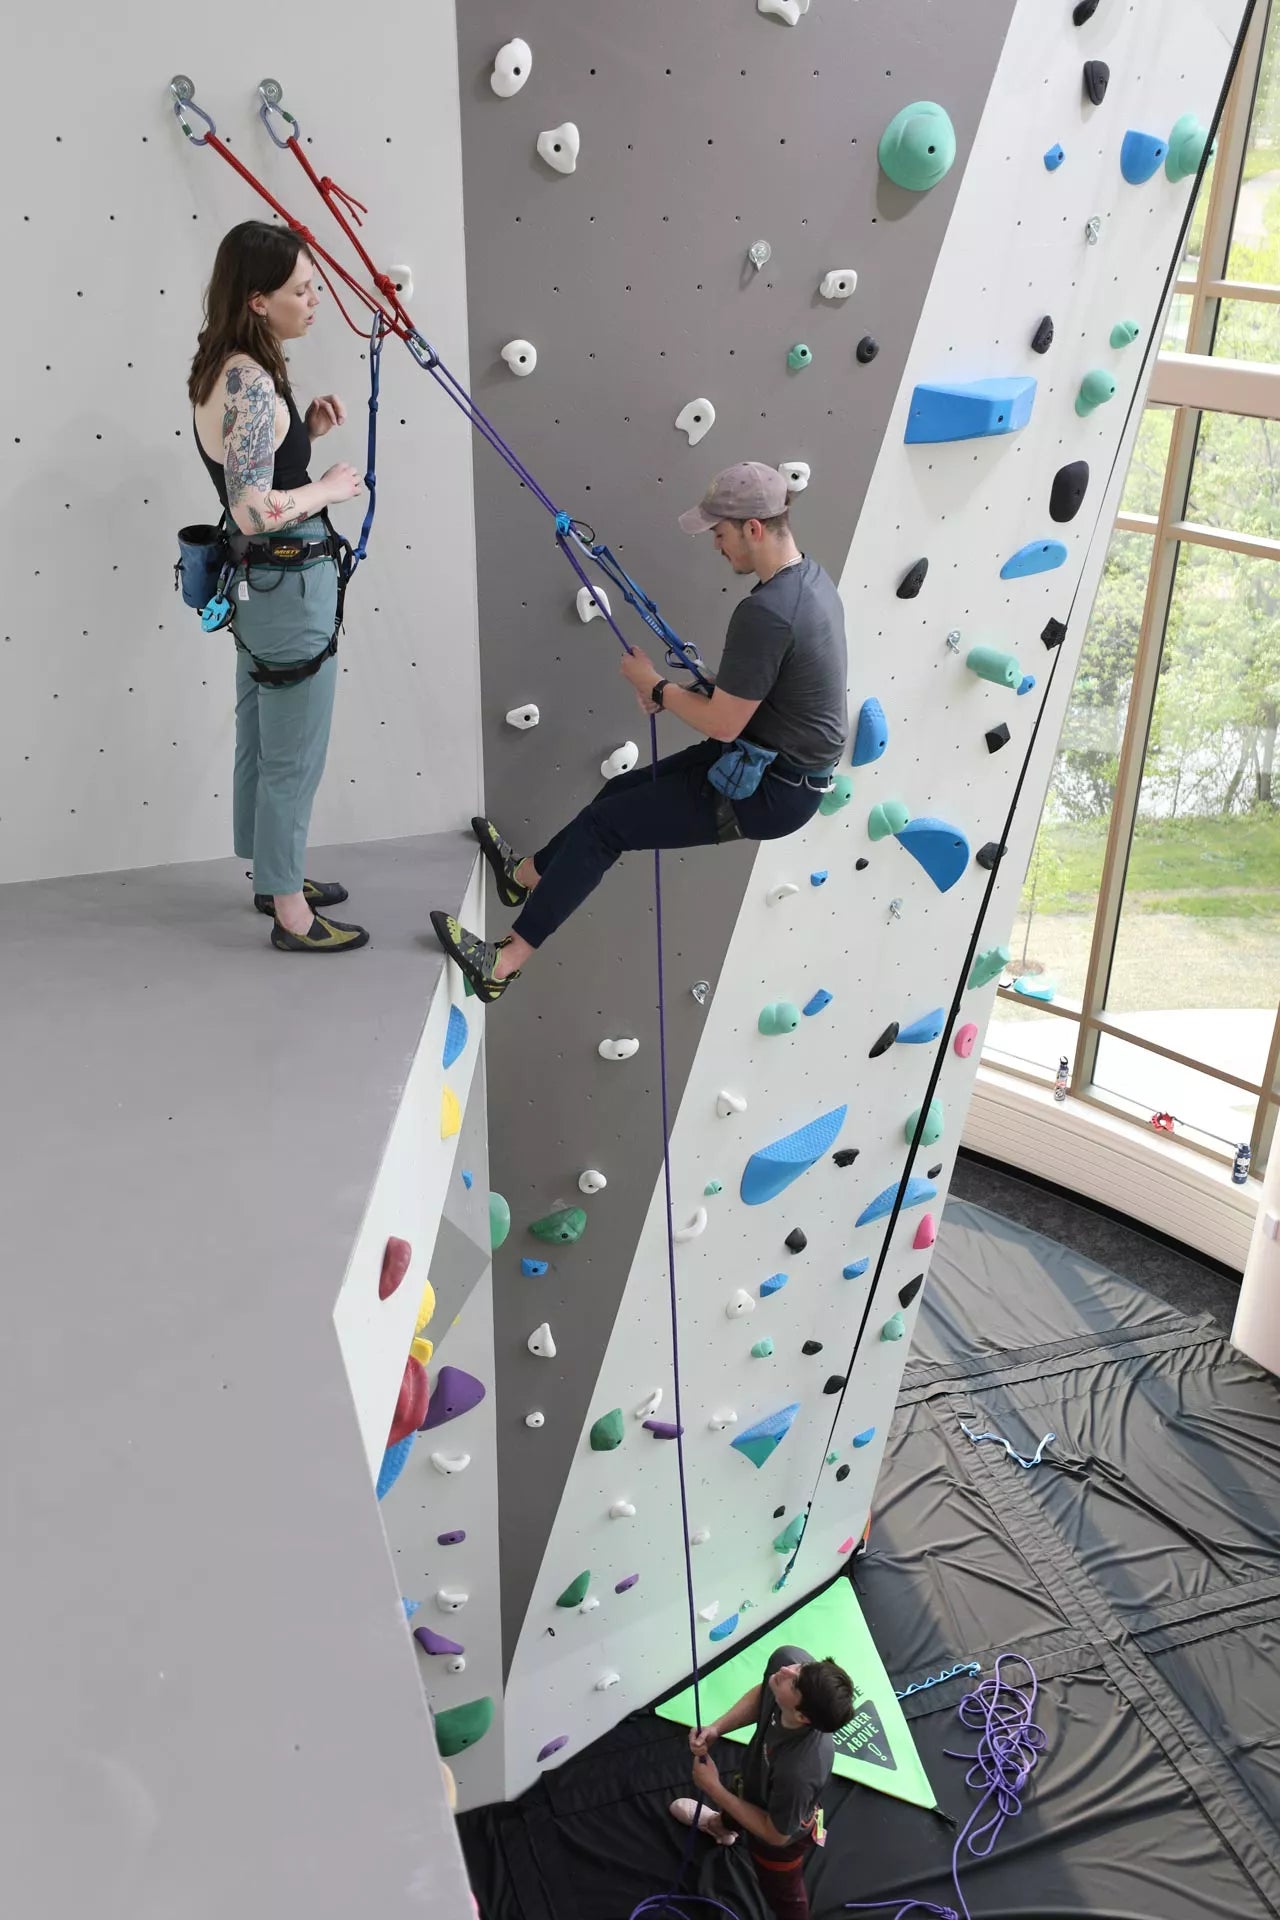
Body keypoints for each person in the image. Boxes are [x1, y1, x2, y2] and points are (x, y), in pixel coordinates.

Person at [430, 462, 849, 998]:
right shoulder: (809, 580)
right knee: (617, 793)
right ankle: (523, 877)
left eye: (720, 534)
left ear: (753, 528)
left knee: (607, 828)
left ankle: (502, 964)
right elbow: (773, 690)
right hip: (772, 760)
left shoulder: (768, 611)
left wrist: (657, 688)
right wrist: (686, 691)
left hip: (770, 786)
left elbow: (724, 723)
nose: (716, 547)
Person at [189, 220, 370, 953]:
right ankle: (290, 911)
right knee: (295, 752)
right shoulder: (255, 385)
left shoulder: (221, 368)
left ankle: (271, 873)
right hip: (290, 586)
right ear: (259, 300)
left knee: (263, 738)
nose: (316, 298)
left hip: (261, 590)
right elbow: (255, 506)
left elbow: (249, 466)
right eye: (303, 289)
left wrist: (306, 440)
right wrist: (326, 486)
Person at [669, 1646, 853, 1920]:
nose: (787, 1670)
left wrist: (713, 1788)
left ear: (803, 1717)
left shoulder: (799, 1772)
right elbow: (765, 1695)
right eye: (800, 1669)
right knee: (736, 1803)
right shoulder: (788, 1662)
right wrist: (717, 1728)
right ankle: (720, 1828)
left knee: (784, 1895)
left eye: (794, 1680)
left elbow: (777, 1834)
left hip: (780, 1831)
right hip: (752, 1784)